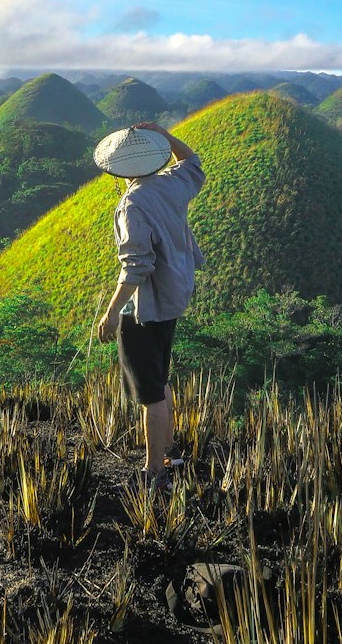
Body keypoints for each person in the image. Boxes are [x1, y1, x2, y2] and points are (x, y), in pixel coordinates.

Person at [97, 122, 205, 489]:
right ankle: (170, 450)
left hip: (144, 310)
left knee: (150, 394)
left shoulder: (132, 204)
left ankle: (154, 472)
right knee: (159, 378)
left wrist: (112, 314)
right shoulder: (171, 185)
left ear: (117, 169)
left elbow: (136, 267)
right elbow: (193, 164)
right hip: (173, 298)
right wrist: (166, 134)